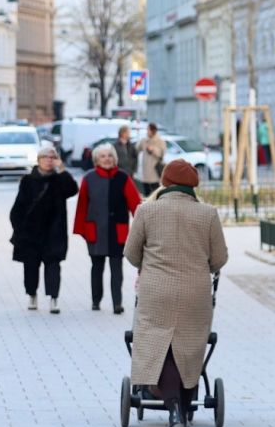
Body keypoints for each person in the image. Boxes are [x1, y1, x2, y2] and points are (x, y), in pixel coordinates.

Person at [126, 160, 229, 427]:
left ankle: (174, 411)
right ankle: (185, 407)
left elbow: (132, 254)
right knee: (188, 346)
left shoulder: (147, 211)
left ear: (165, 182)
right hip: (195, 292)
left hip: (156, 292)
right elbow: (219, 259)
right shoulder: (207, 214)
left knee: (160, 346)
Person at [73, 143, 142, 314]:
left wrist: (143, 225)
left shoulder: (123, 178)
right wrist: (80, 229)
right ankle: (96, 300)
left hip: (117, 230)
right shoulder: (89, 178)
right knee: (97, 267)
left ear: (115, 158)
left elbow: (136, 204)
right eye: (103, 156)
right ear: (96, 159)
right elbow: (82, 206)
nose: (107, 159)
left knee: (116, 267)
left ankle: (117, 303)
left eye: (110, 156)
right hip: (95, 230)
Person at [10, 144, 78, 312]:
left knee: (53, 265)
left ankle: (54, 298)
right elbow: (18, 207)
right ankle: (32, 295)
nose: (49, 160)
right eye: (45, 157)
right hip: (31, 232)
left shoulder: (59, 180)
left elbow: (72, 189)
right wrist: (20, 228)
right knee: (31, 266)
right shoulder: (28, 180)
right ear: (38, 160)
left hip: (54, 231)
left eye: (53, 157)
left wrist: (61, 169)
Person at [136, 123, 166, 198]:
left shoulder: (160, 141)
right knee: (146, 195)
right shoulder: (144, 140)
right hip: (145, 173)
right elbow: (137, 149)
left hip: (155, 172)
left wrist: (153, 149)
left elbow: (161, 155)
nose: (147, 131)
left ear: (153, 131)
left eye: (148, 130)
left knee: (155, 195)